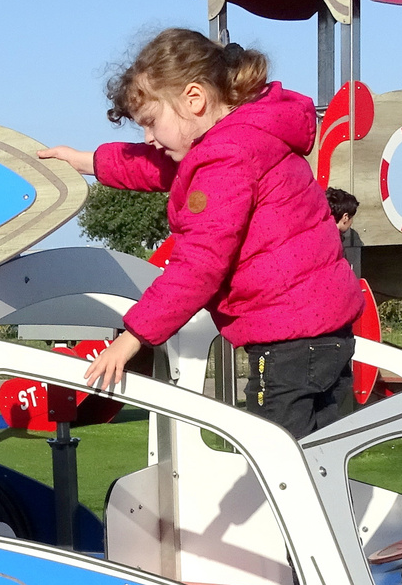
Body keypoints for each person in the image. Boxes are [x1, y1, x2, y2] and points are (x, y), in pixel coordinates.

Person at [38, 28, 362, 439]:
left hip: (287, 344)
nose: (148, 138)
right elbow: (154, 166)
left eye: (151, 122)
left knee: (276, 465)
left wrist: (133, 337)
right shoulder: (251, 132)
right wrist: (84, 161)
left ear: (194, 99)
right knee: (321, 461)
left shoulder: (224, 157)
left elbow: (199, 264)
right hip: (330, 334)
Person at [328, 186, 364, 276]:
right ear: (345, 217)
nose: (351, 222)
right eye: (351, 218)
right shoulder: (335, 242)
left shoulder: (317, 234)